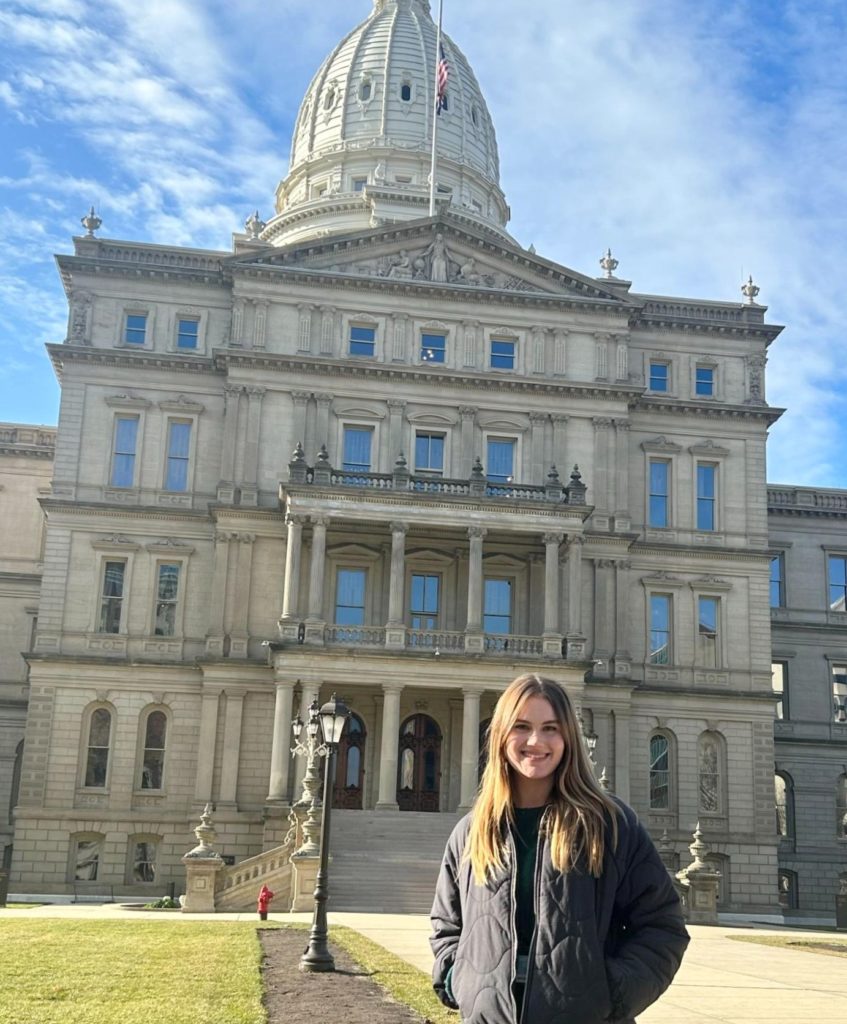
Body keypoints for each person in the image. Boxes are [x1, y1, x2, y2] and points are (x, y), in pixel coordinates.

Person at [430, 673, 689, 1024]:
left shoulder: (609, 824)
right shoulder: (472, 831)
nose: (536, 741)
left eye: (550, 728)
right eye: (521, 726)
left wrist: (607, 995)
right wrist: (455, 979)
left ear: (568, 737)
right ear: (501, 735)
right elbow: (447, 926)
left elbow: (663, 927)